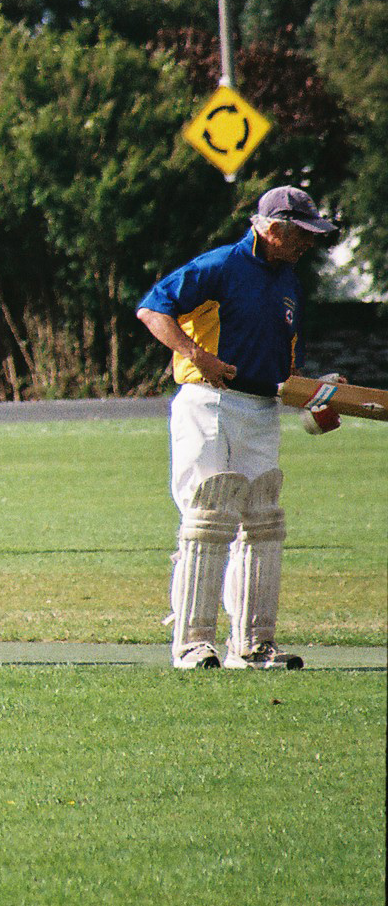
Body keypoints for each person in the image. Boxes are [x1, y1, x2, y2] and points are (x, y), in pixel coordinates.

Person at [135, 185, 339, 670]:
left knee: (263, 521)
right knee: (209, 515)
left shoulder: (289, 281)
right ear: (271, 230)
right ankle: (192, 643)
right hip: (211, 402)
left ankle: (251, 646)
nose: (308, 244)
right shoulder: (222, 264)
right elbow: (151, 308)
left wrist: (322, 396)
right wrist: (195, 355)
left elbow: (287, 367)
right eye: (302, 235)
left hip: (262, 409)